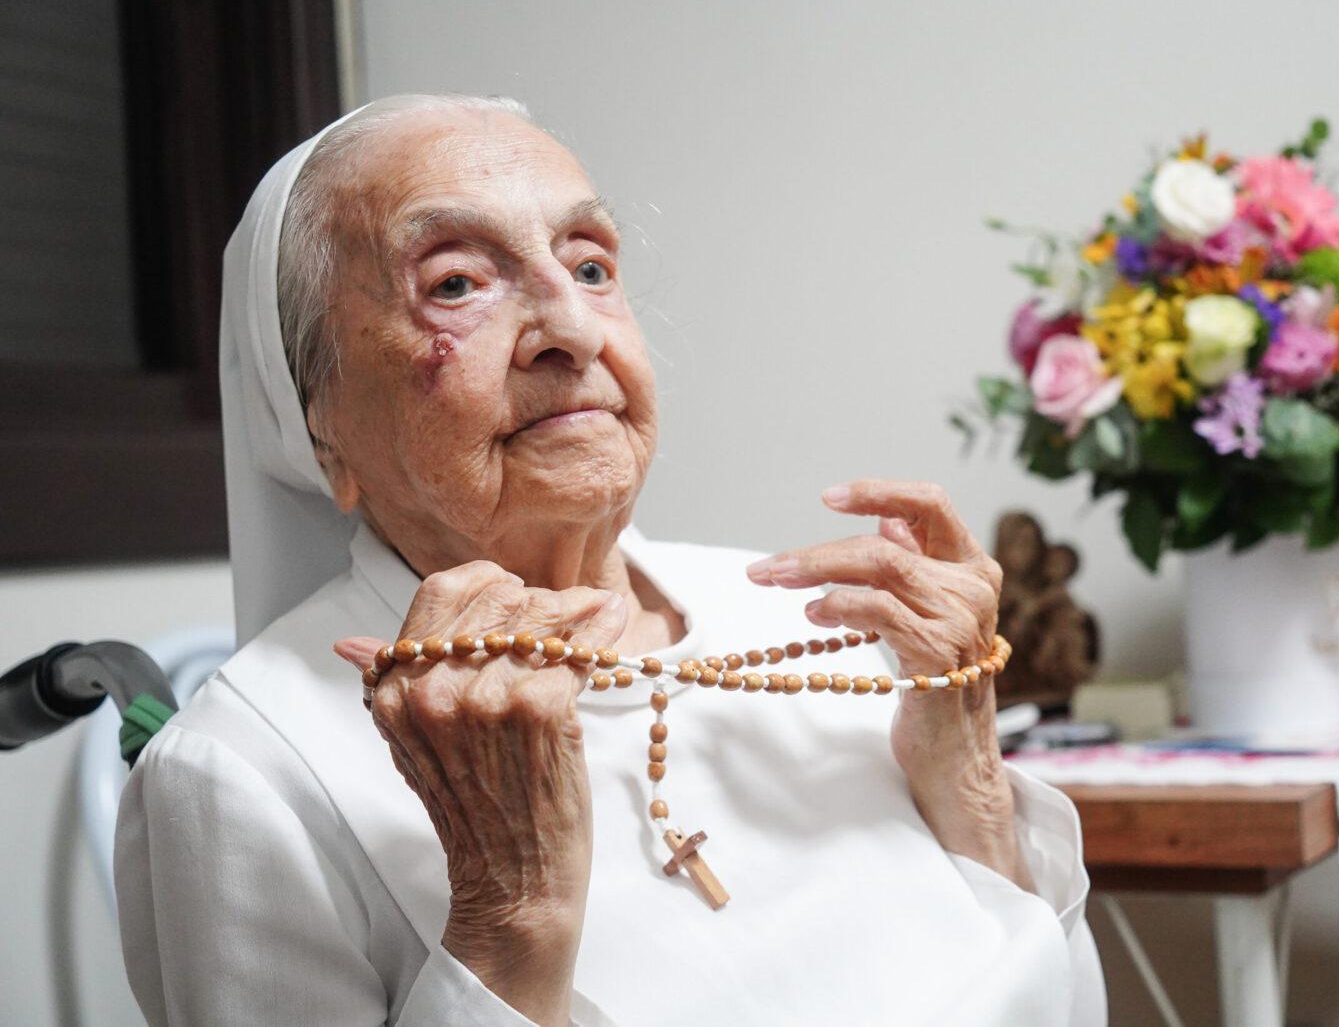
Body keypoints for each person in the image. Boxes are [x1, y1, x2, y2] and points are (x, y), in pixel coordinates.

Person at [114, 93, 1106, 1026]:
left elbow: (1057, 999)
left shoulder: (822, 621)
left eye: (589, 266)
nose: (571, 328)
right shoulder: (239, 774)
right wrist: (511, 913)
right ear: (316, 426)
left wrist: (965, 769)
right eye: (455, 283)